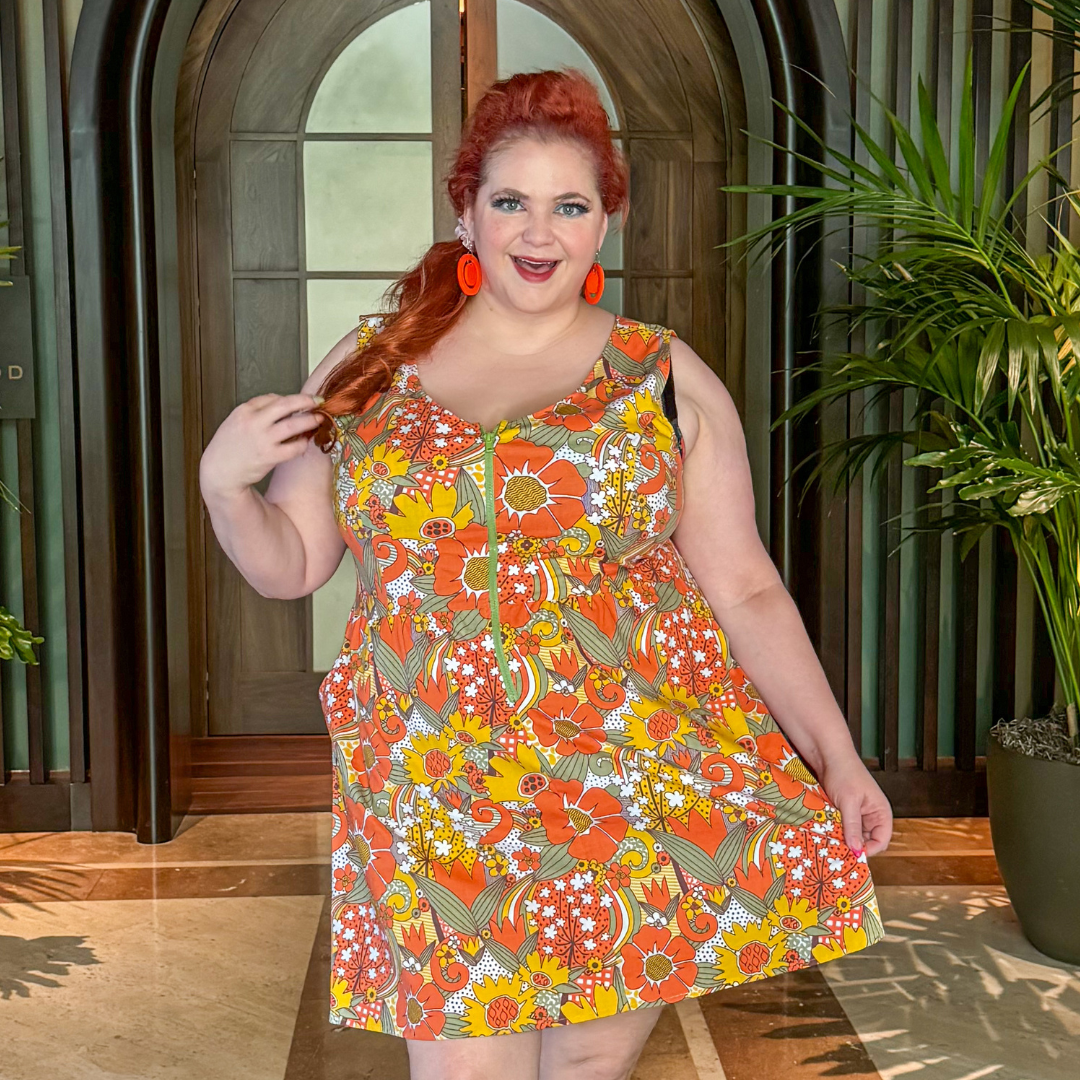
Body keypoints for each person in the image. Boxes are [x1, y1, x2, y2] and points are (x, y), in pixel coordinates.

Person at [200, 69, 892, 1080]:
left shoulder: (661, 374)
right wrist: (226, 487)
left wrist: (837, 757)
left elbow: (743, 586)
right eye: (510, 201)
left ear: (607, 220)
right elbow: (293, 563)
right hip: (432, 784)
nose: (539, 232)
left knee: (583, 1068)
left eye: (570, 205)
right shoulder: (373, 364)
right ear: (467, 211)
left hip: (630, 777)